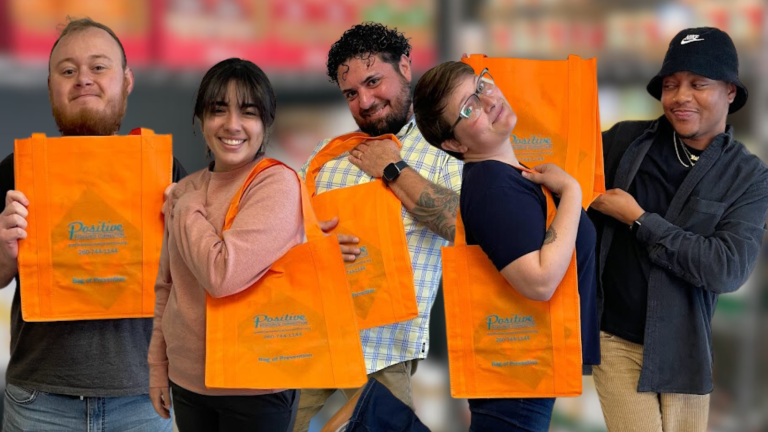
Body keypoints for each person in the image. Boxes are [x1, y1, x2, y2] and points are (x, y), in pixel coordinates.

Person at [0, 18, 186, 431]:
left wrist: (186, 237)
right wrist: (3, 255)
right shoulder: (18, 171)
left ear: (126, 80)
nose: (83, 79)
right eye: (68, 71)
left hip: (145, 400)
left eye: (98, 67)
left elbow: (203, 279)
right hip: (39, 402)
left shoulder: (164, 170)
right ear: (51, 87)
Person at [588, 27, 768, 432]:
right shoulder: (623, 142)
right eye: (671, 85)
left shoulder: (749, 177)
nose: (680, 96)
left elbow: (727, 269)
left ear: (731, 92)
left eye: (698, 84)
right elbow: (558, 165)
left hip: (687, 351)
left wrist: (639, 219)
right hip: (614, 341)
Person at [293, 23, 464, 432]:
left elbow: (465, 226)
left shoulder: (447, 151)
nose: (365, 101)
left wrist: (392, 168)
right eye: (351, 93)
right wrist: (312, 240)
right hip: (314, 339)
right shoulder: (328, 155)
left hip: (387, 349)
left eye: (373, 82)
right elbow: (283, 229)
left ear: (405, 66)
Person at [412, 61, 600, 431]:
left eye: (481, 85)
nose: (488, 100)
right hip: (517, 374)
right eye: (469, 108)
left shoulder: (508, 177)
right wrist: (573, 191)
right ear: (455, 143)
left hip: (523, 369)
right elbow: (540, 281)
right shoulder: (493, 188)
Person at [147, 58, 300, 431]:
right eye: (218, 110)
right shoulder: (187, 190)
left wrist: (184, 209)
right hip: (187, 382)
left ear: (266, 124)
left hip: (256, 386)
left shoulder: (276, 185)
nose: (232, 125)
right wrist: (157, 367)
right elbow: (166, 284)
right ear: (201, 120)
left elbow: (222, 274)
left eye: (248, 112)